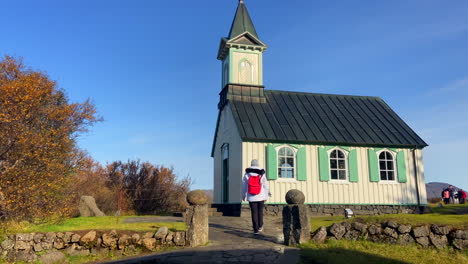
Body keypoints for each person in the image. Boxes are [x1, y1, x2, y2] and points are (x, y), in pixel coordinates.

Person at [242, 159, 270, 235]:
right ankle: (260, 226)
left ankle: (255, 229)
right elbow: (265, 184)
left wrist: (243, 195)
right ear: (257, 164)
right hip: (261, 196)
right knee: (260, 212)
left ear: (251, 164)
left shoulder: (247, 173)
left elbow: (244, 185)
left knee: (254, 212)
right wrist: (267, 194)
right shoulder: (261, 173)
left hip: (251, 196)